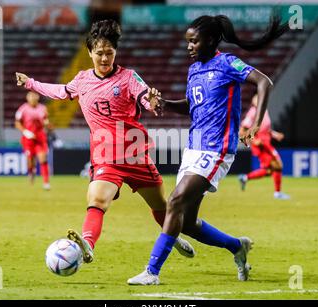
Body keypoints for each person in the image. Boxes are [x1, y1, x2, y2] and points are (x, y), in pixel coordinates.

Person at [15, 20, 195, 264]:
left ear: (115, 52)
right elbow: (59, 91)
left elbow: (145, 97)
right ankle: (87, 245)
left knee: (161, 206)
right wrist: (30, 83)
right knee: (97, 200)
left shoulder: (129, 78)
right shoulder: (81, 80)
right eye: (99, 53)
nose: (104, 58)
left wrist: (153, 103)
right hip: (105, 156)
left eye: (109, 52)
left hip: (134, 153)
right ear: (89, 52)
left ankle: (171, 236)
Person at [128, 14, 288, 285]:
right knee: (187, 222)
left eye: (194, 41)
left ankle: (152, 272)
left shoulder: (226, 63)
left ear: (211, 40)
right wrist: (165, 103)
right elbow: (193, 107)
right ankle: (237, 246)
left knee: (175, 202)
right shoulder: (194, 71)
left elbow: (264, 82)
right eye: (187, 42)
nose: (189, 47)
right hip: (193, 149)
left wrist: (256, 125)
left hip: (216, 150)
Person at [238, 94, 290, 200]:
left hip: (266, 141)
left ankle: (245, 178)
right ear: (254, 101)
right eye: (259, 99)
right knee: (277, 165)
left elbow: (266, 128)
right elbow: (242, 131)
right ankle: (277, 193)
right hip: (261, 144)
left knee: (269, 170)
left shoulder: (264, 111)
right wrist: (253, 141)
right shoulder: (253, 112)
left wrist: (275, 134)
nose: (262, 100)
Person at [15, 91, 52, 190]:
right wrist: (25, 132)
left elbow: (46, 121)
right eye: (30, 97)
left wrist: (47, 124)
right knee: (30, 160)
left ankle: (46, 182)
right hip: (28, 138)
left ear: (37, 98)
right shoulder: (23, 109)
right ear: (27, 98)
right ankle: (31, 171)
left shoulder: (42, 108)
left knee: (43, 159)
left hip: (40, 137)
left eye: (34, 97)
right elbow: (17, 123)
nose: (32, 99)